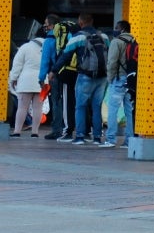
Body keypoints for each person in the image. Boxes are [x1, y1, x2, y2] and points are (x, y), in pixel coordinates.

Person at [55, 13, 108, 146]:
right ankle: (97, 138)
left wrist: (54, 70)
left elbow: (65, 56)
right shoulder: (104, 36)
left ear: (80, 22)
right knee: (96, 107)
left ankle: (79, 136)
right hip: (102, 76)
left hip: (85, 75)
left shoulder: (77, 37)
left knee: (80, 106)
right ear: (92, 21)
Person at [103, 20, 137, 147]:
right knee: (129, 110)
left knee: (113, 109)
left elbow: (112, 62)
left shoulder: (116, 42)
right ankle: (129, 140)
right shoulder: (134, 42)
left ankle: (110, 139)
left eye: (117, 28)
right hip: (130, 80)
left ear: (122, 29)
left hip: (118, 79)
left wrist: (110, 78)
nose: (115, 30)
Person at [8, 25, 45, 138]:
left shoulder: (25, 47)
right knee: (38, 108)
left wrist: (13, 78)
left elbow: (17, 64)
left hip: (26, 80)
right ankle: (35, 132)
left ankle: (17, 131)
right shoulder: (49, 47)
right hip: (42, 81)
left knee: (22, 107)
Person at [37, 14, 68, 140]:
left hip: (54, 74)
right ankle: (69, 128)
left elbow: (45, 61)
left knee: (56, 102)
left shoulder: (49, 40)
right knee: (68, 102)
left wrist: (41, 78)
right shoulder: (67, 37)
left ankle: (57, 130)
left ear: (52, 25)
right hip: (68, 73)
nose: (45, 26)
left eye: (46, 24)